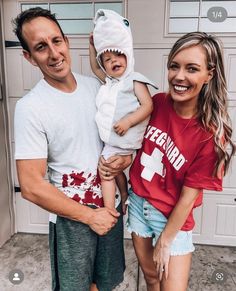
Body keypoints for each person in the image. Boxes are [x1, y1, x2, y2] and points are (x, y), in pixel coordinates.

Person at [13, 7, 131, 291]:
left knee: (105, 283)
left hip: (110, 206)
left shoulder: (98, 89)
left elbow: (118, 140)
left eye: (56, 41)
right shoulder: (31, 108)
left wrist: (125, 158)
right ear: (29, 57)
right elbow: (30, 186)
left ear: (66, 41)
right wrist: (90, 216)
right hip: (73, 221)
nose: (53, 53)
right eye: (41, 47)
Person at [126, 31, 236, 291]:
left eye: (192, 68)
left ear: (209, 74)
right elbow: (128, 140)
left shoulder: (211, 135)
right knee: (151, 279)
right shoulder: (157, 103)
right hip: (138, 204)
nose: (179, 76)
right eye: (174, 66)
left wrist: (165, 240)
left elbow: (189, 197)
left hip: (171, 218)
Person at [89, 9, 157, 211]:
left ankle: (110, 209)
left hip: (125, 136)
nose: (114, 61)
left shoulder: (134, 80)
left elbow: (148, 106)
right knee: (115, 168)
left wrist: (128, 121)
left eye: (118, 55)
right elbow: (94, 67)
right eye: (107, 60)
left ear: (128, 55)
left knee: (106, 171)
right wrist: (93, 47)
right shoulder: (110, 82)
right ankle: (124, 192)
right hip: (115, 138)